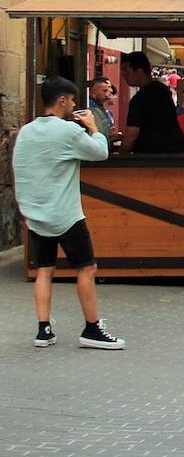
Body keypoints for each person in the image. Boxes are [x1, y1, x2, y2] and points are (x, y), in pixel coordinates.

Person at [14, 76, 125, 350]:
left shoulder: (26, 132)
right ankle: (92, 328)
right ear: (62, 100)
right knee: (87, 268)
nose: (75, 105)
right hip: (66, 215)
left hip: (36, 215)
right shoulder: (67, 131)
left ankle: (43, 330)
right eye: (73, 100)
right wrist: (93, 127)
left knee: (44, 270)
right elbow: (100, 152)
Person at [118, 51, 184, 155]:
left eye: (125, 69)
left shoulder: (140, 98)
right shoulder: (162, 90)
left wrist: (120, 157)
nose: (122, 74)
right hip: (175, 149)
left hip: (153, 155)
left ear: (139, 71)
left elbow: (131, 136)